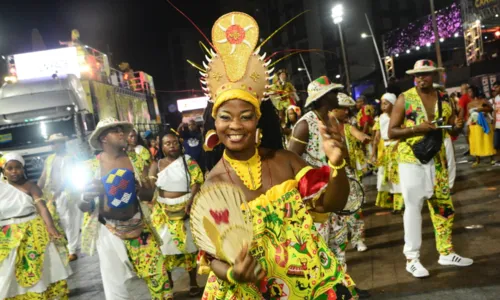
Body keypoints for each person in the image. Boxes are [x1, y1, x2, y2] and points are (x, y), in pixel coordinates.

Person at [196, 12, 357, 299]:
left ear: (257, 121)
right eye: (225, 117)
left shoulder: (285, 161)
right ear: (214, 125)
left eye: (245, 116)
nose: (235, 126)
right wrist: (235, 272)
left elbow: (332, 202)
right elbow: (212, 259)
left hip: (308, 286)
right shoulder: (213, 186)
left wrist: (337, 164)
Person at [388, 59, 472, 278]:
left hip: (438, 159)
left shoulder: (444, 98)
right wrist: (417, 129)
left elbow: (451, 125)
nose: (420, 78)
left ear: (434, 74)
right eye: (417, 75)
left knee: (444, 205)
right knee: (413, 207)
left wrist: (456, 126)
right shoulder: (405, 99)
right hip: (411, 159)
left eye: (425, 74)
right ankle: (412, 258)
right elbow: (392, 132)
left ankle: (446, 252)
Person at [288, 77, 369, 298]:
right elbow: (290, 160)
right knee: (320, 249)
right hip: (317, 201)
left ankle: (345, 288)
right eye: (333, 92)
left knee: (339, 244)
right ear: (324, 97)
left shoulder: (331, 119)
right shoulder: (305, 124)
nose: (337, 96)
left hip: (337, 193)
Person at [78, 118, 172, 300]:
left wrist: (142, 189)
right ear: (103, 138)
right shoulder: (90, 167)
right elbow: (83, 207)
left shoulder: (136, 160)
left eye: (122, 129)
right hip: (109, 232)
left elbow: (147, 196)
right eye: (116, 131)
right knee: (116, 289)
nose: (122, 133)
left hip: (140, 228)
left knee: (159, 280)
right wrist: (87, 196)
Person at [0, 153, 72, 300]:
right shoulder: (2, 188)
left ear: (23, 169)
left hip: (33, 231)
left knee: (37, 266)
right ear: (4, 171)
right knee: (9, 269)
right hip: (7, 234)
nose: (14, 171)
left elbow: (42, 207)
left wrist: (50, 227)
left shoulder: (31, 186)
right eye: (10, 168)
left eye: (18, 168)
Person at [148, 130, 202, 297]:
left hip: (184, 207)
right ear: (161, 146)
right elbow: (149, 187)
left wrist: (191, 201)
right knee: (165, 247)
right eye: (167, 143)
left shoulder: (188, 162)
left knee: (189, 247)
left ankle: (193, 283)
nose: (172, 146)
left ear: (180, 144)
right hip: (163, 212)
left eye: (175, 142)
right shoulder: (155, 165)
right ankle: (169, 282)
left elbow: (197, 181)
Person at [38, 133, 82, 262]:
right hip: (53, 195)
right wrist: (36, 190)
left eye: (56, 142)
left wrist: (58, 191)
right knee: (61, 221)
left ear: (62, 143)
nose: (53, 145)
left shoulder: (71, 158)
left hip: (69, 193)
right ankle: (67, 248)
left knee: (71, 221)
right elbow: (43, 176)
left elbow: (69, 177)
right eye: (52, 143)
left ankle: (72, 250)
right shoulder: (50, 159)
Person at [372, 93, 404, 213]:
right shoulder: (380, 118)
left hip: (396, 147)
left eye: (386, 103)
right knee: (386, 177)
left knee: (397, 176)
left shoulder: (399, 117)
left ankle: (400, 204)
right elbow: (377, 136)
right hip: (385, 149)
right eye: (382, 104)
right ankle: (391, 203)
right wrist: (373, 152)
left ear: (393, 104)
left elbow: (403, 130)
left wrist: (398, 143)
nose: (383, 106)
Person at [466, 86, 496, 166]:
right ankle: (477, 160)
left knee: (488, 141)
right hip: (474, 126)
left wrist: (481, 109)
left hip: (484, 124)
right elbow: (469, 116)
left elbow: (491, 109)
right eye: (468, 92)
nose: (469, 93)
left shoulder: (483, 100)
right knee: (475, 142)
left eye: (470, 91)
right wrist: (467, 127)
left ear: (475, 92)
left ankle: (492, 158)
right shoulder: (469, 104)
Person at [493, 82, 500, 164]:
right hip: (498, 125)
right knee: (496, 144)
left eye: (497, 87)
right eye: (494, 87)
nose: (495, 89)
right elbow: (495, 112)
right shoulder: (496, 98)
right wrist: (494, 124)